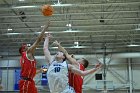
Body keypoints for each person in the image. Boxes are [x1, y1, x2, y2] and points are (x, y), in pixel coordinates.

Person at [18, 22, 50, 93]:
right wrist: (45, 28)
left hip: (30, 81)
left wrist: (43, 70)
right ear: (23, 50)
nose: (27, 46)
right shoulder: (27, 53)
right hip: (26, 82)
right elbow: (38, 40)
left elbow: (33, 72)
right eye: (25, 46)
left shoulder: (26, 58)